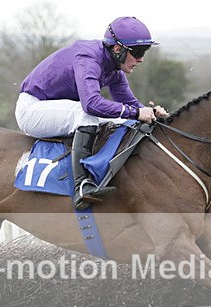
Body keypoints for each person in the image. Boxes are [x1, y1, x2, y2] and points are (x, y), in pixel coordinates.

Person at [15, 16, 169, 208]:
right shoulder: (88, 58)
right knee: (86, 115)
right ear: (117, 49)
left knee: (119, 120)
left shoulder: (114, 68)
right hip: (32, 110)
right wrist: (136, 113)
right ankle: (81, 186)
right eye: (137, 52)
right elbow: (91, 104)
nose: (141, 58)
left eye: (145, 51)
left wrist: (150, 112)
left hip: (56, 108)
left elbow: (129, 104)